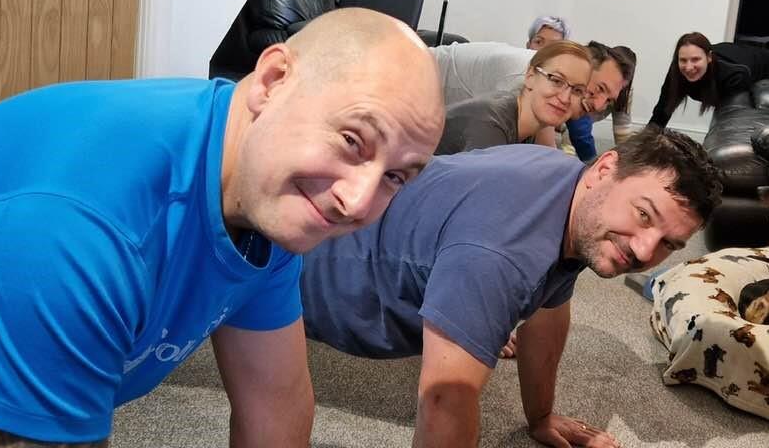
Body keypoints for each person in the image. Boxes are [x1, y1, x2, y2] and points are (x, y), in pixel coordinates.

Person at [0, 8, 447, 448]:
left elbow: (277, 401)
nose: (357, 199)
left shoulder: (272, 189)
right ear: (273, 80)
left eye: (396, 176)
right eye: (355, 141)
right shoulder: (68, 232)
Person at [301, 127, 723, 448]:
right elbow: (445, 401)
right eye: (644, 215)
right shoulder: (502, 254)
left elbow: (549, 310)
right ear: (606, 168)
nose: (645, 249)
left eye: (670, 243)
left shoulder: (575, 190)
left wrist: (540, 416)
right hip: (309, 274)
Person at [431, 40, 634, 157]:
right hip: (415, 78)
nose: (598, 105)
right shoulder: (528, 79)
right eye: (599, 88)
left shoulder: (543, 91)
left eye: (608, 100)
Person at [649, 31, 769, 128]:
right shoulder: (677, 70)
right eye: (683, 60)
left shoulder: (733, 75)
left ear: (709, 57)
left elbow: (730, 117)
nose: (689, 67)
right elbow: (661, 111)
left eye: (696, 59)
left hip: (762, 63)